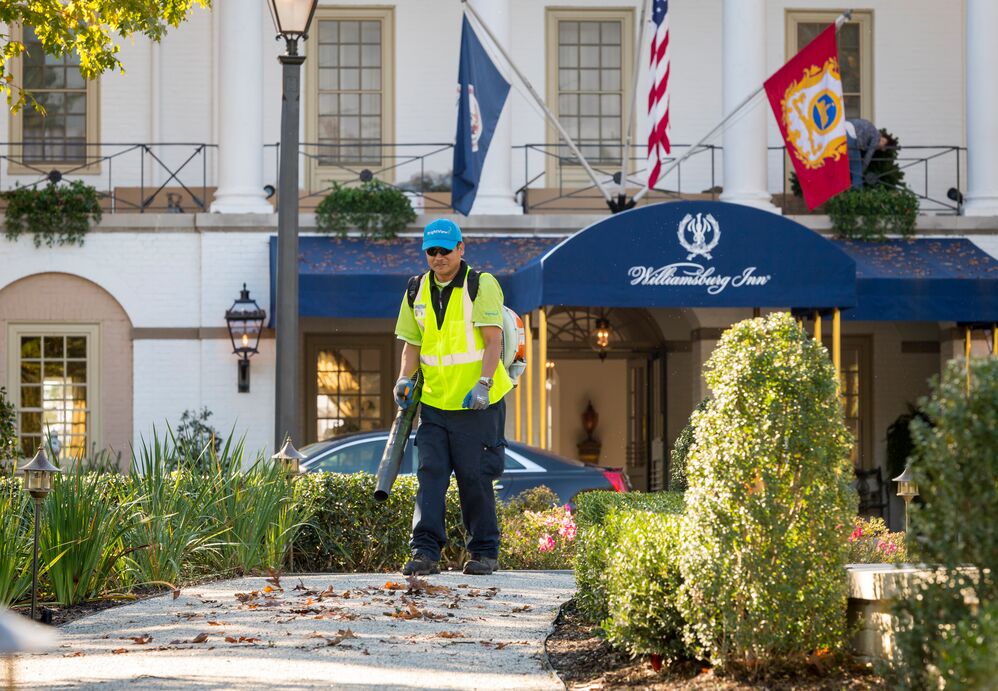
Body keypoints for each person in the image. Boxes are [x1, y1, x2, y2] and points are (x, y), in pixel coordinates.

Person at [393, 218, 513, 576]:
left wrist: (485, 384)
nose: (438, 256)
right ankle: (425, 552)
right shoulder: (416, 289)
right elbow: (412, 344)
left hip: (476, 403)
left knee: (474, 476)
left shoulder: (481, 284)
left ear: (461, 249)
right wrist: (403, 379)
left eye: (445, 250)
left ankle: (484, 552)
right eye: (431, 250)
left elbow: (493, 341)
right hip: (433, 402)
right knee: (430, 475)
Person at [844, 118, 896, 189]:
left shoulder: (872, 131)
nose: (881, 143)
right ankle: (857, 195)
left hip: (843, 129)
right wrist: (862, 170)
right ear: (884, 149)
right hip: (851, 135)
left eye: (883, 142)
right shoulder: (876, 136)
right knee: (857, 172)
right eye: (883, 141)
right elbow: (868, 156)